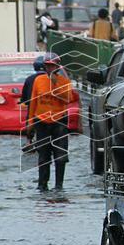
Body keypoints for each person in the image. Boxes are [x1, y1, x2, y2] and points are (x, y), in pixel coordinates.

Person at [27, 54, 74, 191]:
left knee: (60, 157)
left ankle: (59, 185)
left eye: (53, 66)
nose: (50, 68)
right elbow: (33, 101)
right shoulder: (38, 81)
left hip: (59, 122)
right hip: (41, 122)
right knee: (43, 156)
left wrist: (55, 85)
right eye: (48, 65)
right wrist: (30, 122)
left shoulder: (65, 82)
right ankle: (42, 185)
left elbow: (67, 99)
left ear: (57, 67)